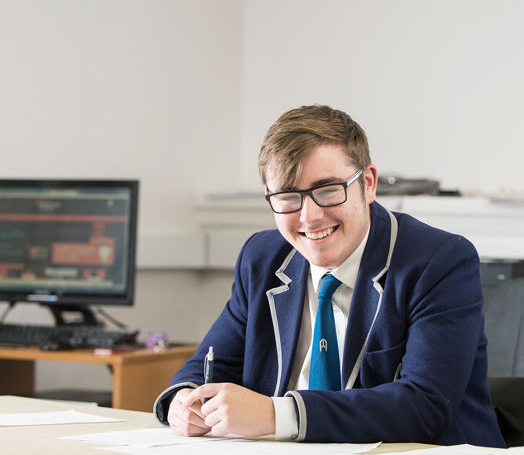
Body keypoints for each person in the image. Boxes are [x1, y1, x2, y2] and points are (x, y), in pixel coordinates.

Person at [152, 104, 505, 447]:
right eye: (289, 197)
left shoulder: (438, 262)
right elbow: (210, 365)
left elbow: (425, 406)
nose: (310, 216)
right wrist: (185, 401)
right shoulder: (262, 259)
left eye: (328, 190)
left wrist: (276, 415)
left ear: (368, 183)